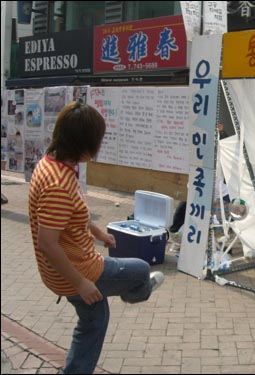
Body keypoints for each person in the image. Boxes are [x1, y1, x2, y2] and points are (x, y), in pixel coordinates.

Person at [28, 101, 165, 374]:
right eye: (98, 139)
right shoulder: (58, 184)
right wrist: (81, 283)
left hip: (63, 269)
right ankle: (137, 291)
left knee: (95, 320)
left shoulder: (50, 163)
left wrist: (98, 232)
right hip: (77, 270)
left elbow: (70, 214)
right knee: (139, 270)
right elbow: (47, 243)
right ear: (84, 142)